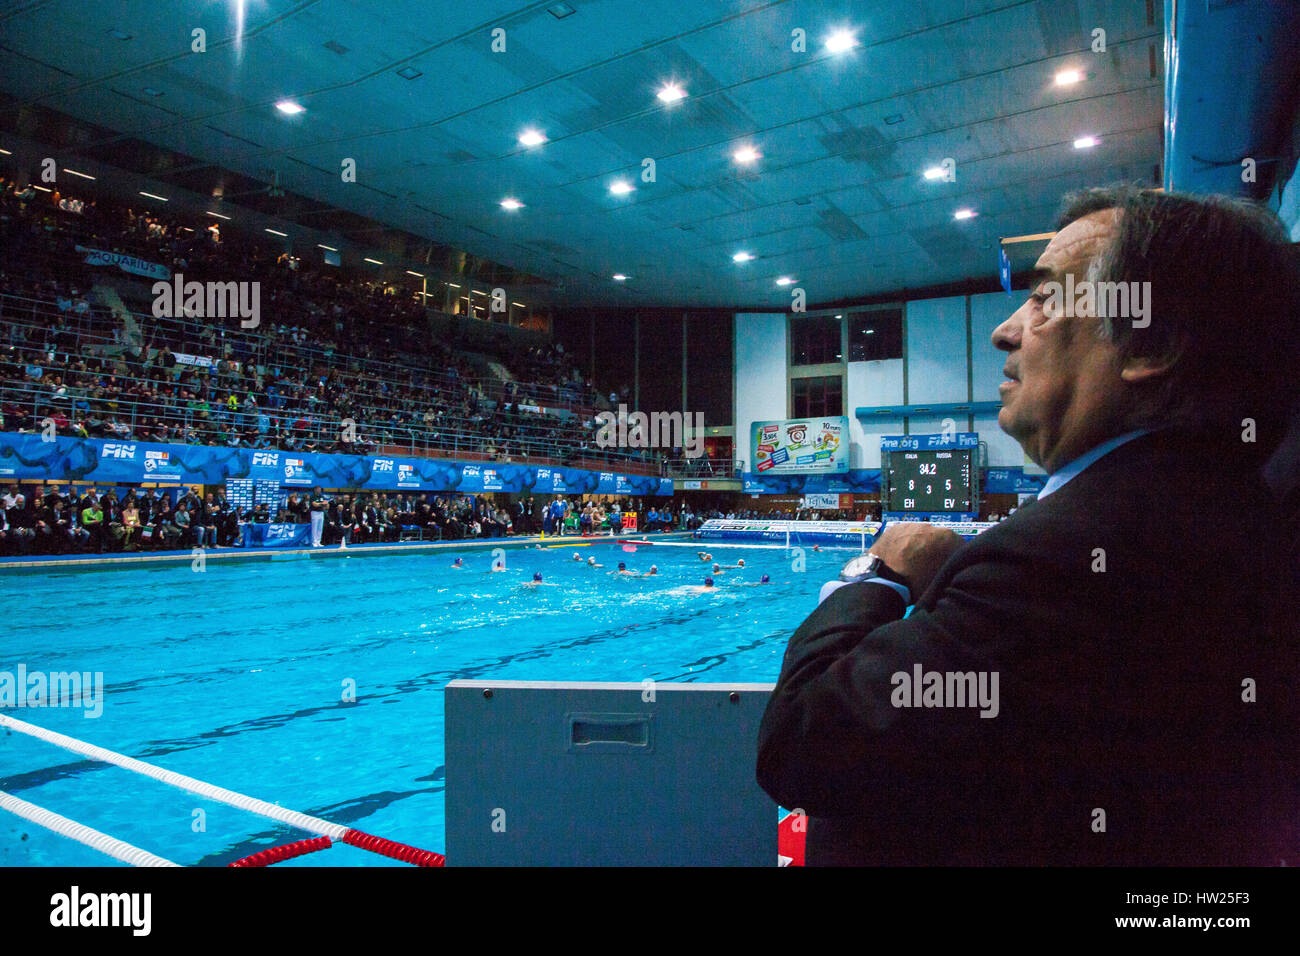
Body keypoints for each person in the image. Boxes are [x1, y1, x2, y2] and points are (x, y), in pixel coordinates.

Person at [757, 186, 1300, 866]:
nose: (1004, 329)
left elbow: (803, 744)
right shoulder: (1229, 509)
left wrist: (882, 574)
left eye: (1045, 299)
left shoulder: (1067, 560)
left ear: (1150, 341)